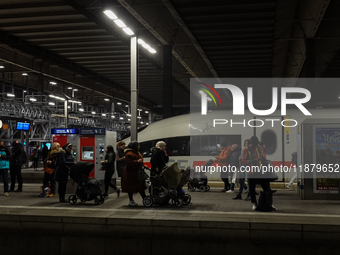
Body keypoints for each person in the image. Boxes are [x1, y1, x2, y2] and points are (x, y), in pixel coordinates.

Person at [242, 136, 277, 211]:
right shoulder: (246, 149)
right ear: (251, 144)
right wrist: (251, 161)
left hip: (261, 171)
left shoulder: (260, 148)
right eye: (254, 145)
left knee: (267, 188)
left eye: (256, 144)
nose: (255, 146)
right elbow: (243, 161)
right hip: (251, 172)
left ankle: (269, 203)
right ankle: (254, 203)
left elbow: (264, 157)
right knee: (252, 189)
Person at [121, 141, 146, 206]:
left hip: (136, 172)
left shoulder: (135, 152)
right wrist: (137, 162)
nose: (139, 146)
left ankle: (145, 199)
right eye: (138, 145)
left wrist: (142, 164)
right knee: (132, 187)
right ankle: (132, 200)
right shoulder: (129, 153)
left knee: (140, 186)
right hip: (131, 173)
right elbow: (129, 163)